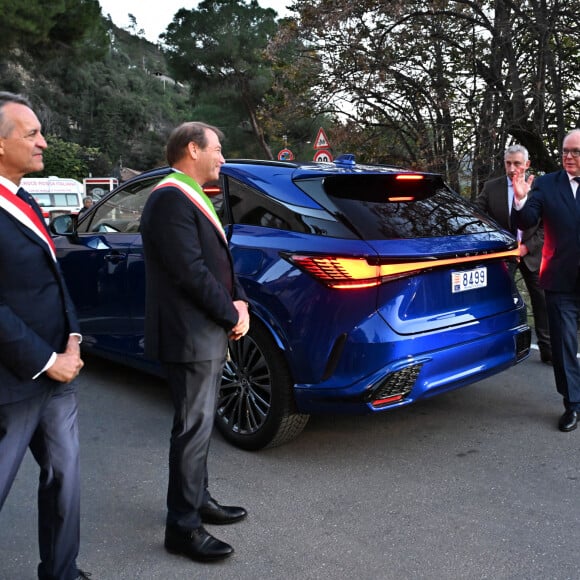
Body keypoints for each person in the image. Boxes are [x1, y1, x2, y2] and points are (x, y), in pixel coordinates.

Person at [140, 122, 250, 562]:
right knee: (191, 428)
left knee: (198, 428)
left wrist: (239, 301)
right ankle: (183, 527)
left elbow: (217, 262)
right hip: (189, 334)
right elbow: (189, 271)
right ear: (192, 149)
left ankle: (198, 499)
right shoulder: (169, 197)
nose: (222, 158)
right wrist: (230, 312)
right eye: (217, 149)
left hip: (203, 331)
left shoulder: (189, 195)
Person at [0, 92, 88, 579]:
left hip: (59, 371)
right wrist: (44, 359)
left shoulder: (26, 198)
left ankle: (61, 570)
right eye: (31, 133)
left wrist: (72, 338)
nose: (43, 143)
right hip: (13, 380)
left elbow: (55, 277)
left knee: (65, 481)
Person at [512, 129, 580, 433]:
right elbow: (526, 221)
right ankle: (572, 405)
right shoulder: (547, 184)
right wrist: (520, 200)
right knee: (564, 347)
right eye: (566, 151)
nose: (569, 157)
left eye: (576, 152)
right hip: (560, 282)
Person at [476, 144, 551, 364]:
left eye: (517, 163)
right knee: (497, 300)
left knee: (543, 303)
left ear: (527, 165)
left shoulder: (540, 188)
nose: (512, 168)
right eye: (508, 163)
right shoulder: (491, 187)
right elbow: (478, 215)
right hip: (503, 255)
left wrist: (526, 247)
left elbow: (547, 226)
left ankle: (548, 350)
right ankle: (494, 349)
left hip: (532, 254)